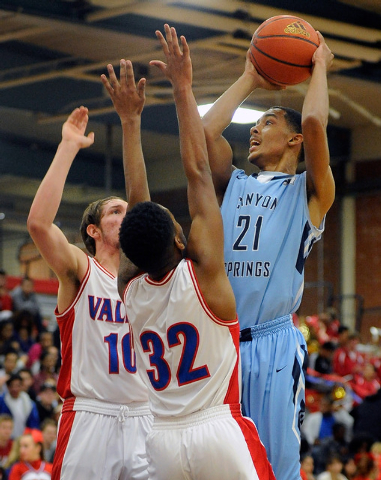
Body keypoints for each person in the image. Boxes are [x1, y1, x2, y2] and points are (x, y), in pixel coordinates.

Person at [102, 24, 275, 480]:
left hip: (160, 440)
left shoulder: (129, 288)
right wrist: (182, 87)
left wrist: (130, 122)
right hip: (217, 430)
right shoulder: (204, 275)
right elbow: (198, 169)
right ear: (180, 241)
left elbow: (138, 200)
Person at [201, 28, 335, 480]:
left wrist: (319, 67)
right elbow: (204, 132)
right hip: (222, 345)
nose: (255, 129)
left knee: (276, 469)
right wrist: (249, 77)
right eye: (255, 123)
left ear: (295, 141)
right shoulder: (232, 183)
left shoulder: (309, 192)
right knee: (221, 468)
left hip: (274, 345)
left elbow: (315, 122)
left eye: (269, 122)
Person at [26, 104, 152, 479]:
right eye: (115, 211)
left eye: (130, 210)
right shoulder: (81, 269)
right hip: (91, 415)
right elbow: (37, 224)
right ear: (93, 231)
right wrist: (68, 146)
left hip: (147, 415)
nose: (126, 215)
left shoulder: (147, 281)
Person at [0, 374, 40, 438]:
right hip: (5, 438)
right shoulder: (2, 401)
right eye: (12, 386)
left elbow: (34, 424)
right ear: (8, 387)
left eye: (17, 386)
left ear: (22, 386)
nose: (15, 389)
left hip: (23, 438)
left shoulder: (29, 403)